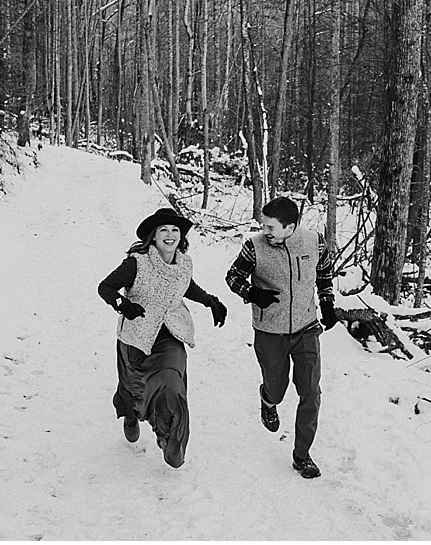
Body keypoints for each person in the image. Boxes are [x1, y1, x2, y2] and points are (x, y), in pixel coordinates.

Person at [98, 208, 227, 468]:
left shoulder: (183, 263)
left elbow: (185, 285)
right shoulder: (137, 262)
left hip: (169, 334)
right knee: (134, 385)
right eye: (164, 230)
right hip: (137, 335)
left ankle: (170, 440)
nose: (170, 235)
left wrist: (210, 301)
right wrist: (123, 305)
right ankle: (132, 414)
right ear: (153, 236)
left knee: (171, 384)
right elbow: (105, 287)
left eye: (175, 230)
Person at [225, 196, 338, 479]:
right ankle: (268, 399)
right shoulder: (254, 247)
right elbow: (233, 276)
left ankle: (302, 456)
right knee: (277, 388)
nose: (266, 232)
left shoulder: (314, 242)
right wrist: (251, 293)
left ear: (291, 226)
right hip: (270, 331)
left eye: (271, 228)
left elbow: (324, 271)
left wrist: (327, 302)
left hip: (306, 327)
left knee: (311, 393)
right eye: (264, 226)